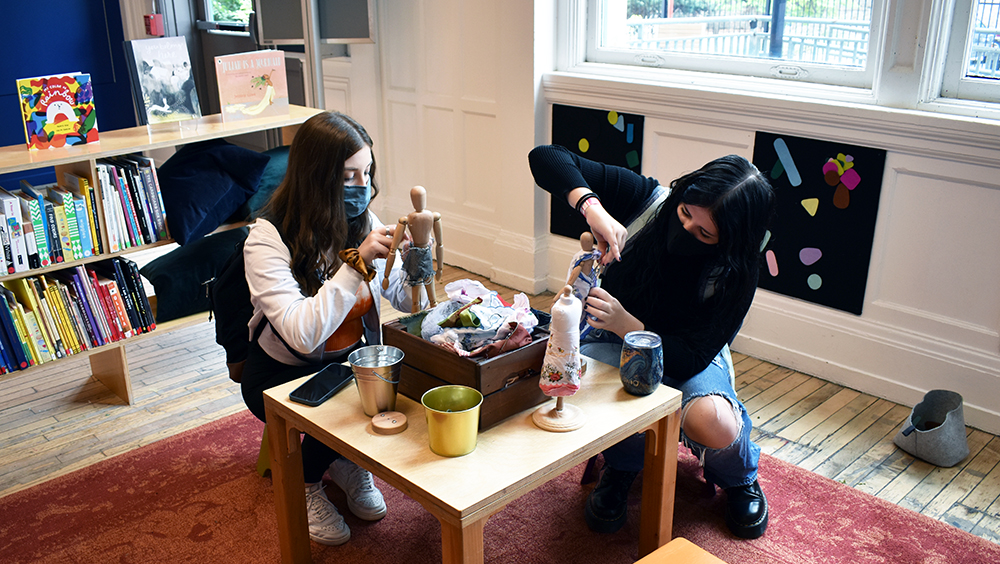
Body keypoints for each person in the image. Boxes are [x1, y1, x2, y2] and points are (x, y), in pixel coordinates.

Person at [528, 144, 776, 540]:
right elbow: (546, 157)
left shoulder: (737, 271)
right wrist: (593, 208)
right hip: (613, 341)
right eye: (684, 213)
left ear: (730, 240)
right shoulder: (648, 200)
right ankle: (623, 467)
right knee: (592, 389)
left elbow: (692, 355)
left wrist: (631, 326)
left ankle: (738, 476)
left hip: (689, 358)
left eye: (705, 233)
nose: (686, 231)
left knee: (714, 422)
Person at [241, 111, 419, 546]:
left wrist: (416, 267)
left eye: (368, 173)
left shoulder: (365, 221)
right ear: (316, 177)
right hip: (280, 374)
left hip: (344, 362)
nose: (362, 186)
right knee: (358, 403)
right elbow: (303, 333)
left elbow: (407, 302)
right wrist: (355, 265)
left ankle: (341, 462)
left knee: (402, 383)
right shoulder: (266, 238)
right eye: (348, 175)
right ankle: (304, 482)